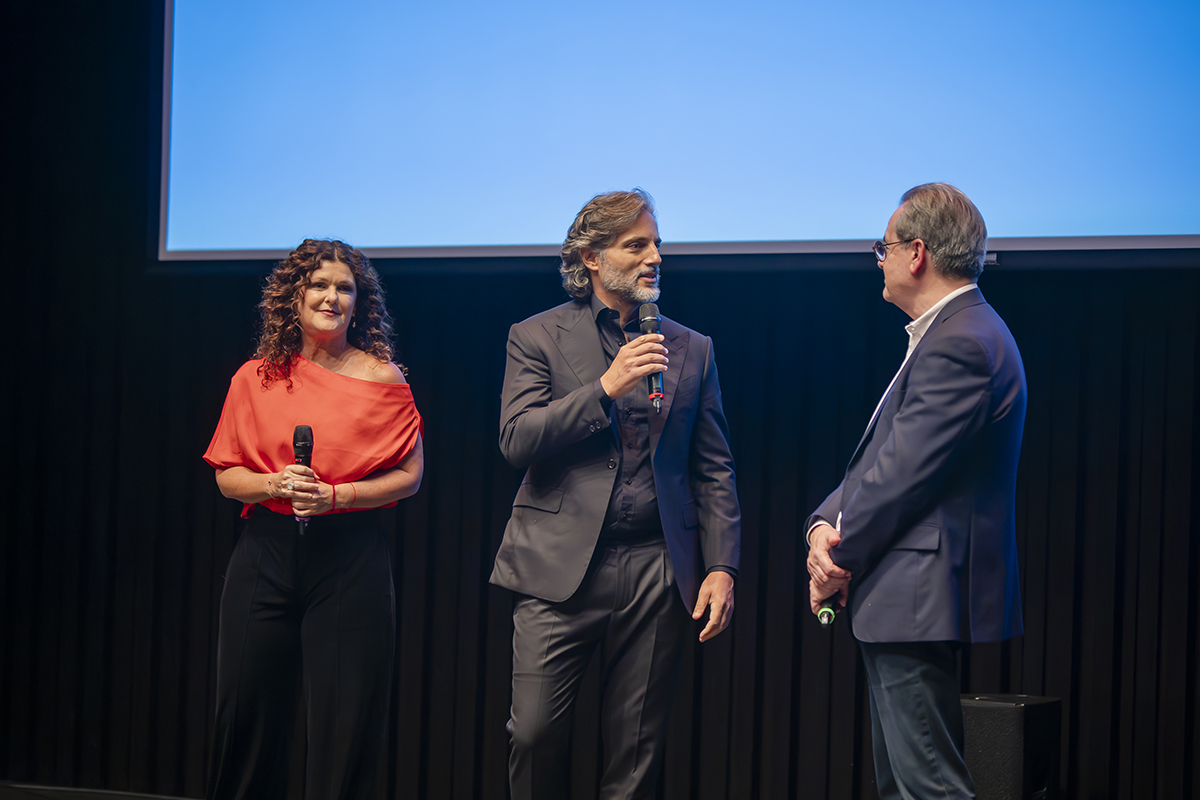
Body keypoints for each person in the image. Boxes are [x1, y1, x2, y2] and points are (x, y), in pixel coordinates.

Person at [491, 189, 742, 799]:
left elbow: (713, 468)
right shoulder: (536, 336)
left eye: (656, 244)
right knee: (534, 734)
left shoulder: (692, 348)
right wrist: (604, 388)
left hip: (658, 566)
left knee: (635, 754)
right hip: (559, 563)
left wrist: (721, 565)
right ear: (592, 258)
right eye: (636, 246)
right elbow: (517, 439)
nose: (654, 257)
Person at [805, 183, 1027, 799]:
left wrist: (836, 560)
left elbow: (901, 477)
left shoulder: (962, 341)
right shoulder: (951, 332)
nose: (879, 260)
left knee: (929, 788)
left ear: (917, 253)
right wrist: (822, 526)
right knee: (905, 789)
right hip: (902, 594)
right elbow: (882, 461)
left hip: (915, 595)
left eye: (884, 248)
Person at [202, 239, 424, 800]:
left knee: (345, 727)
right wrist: (275, 484)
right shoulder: (254, 377)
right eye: (318, 285)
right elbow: (227, 476)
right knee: (245, 715)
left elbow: (410, 476)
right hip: (266, 552)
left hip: (350, 557)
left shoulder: (382, 378)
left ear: (359, 301)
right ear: (293, 297)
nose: (331, 297)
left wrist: (336, 497)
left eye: (344, 288)